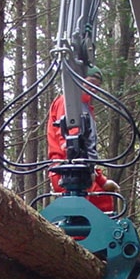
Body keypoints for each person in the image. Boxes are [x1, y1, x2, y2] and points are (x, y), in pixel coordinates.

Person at [47, 65, 119, 213]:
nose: (94, 88)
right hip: (67, 172)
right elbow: (70, 144)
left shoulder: (85, 107)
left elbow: (88, 152)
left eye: (97, 86)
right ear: (79, 80)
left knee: (104, 202)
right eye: (90, 82)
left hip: (82, 169)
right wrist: (87, 170)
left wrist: (102, 181)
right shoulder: (68, 102)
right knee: (83, 213)